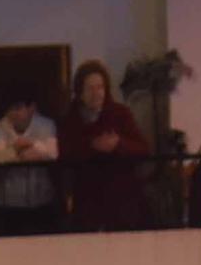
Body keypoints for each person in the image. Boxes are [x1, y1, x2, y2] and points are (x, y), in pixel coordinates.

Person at [59, 59, 150, 231]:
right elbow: (64, 154)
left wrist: (118, 144)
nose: (97, 93)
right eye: (90, 88)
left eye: (100, 87)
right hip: (87, 204)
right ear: (79, 92)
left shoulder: (120, 114)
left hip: (122, 202)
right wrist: (92, 146)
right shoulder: (70, 119)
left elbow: (143, 149)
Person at [0, 91, 60, 234]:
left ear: (31, 108)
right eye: (10, 109)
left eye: (18, 108)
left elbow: (52, 153)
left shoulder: (46, 125)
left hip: (42, 203)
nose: (13, 113)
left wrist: (30, 144)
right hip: (8, 206)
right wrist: (16, 150)